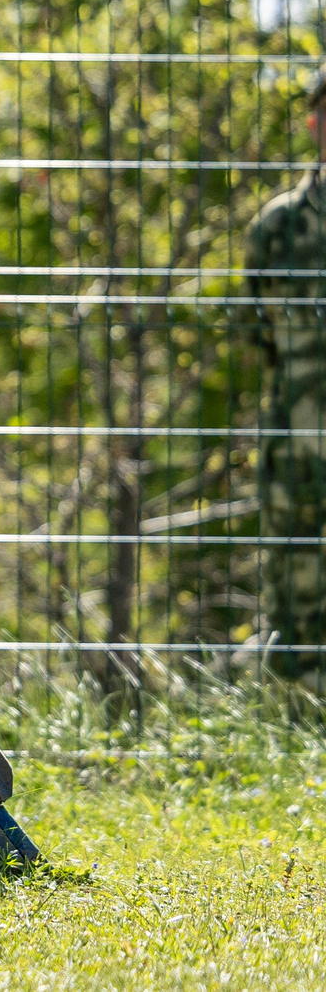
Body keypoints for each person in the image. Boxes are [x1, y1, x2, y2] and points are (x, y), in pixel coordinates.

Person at [251, 66, 326, 685]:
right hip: (297, 446)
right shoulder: (278, 228)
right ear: (312, 121)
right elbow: (257, 335)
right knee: (294, 589)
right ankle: (295, 726)